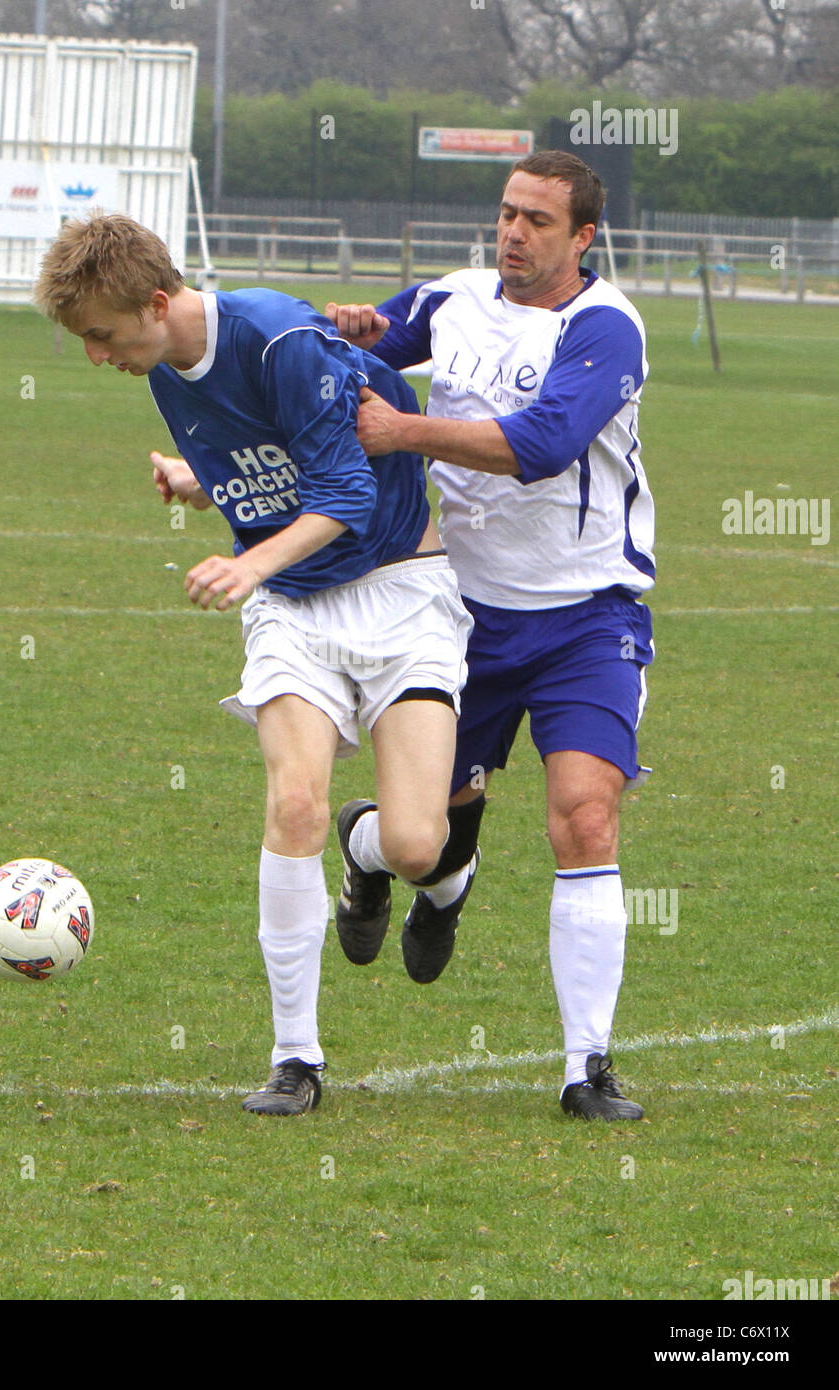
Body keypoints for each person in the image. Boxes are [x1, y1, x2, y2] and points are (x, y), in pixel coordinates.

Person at [34, 213, 473, 1116]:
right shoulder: (163, 362)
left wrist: (247, 561)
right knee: (293, 802)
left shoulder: (277, 337)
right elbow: (266, 450)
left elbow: (346, 491)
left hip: (399, 587)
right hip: (293, 613)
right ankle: (295, 1060)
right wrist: (200, 481)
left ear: (157, 304)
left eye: (104, 338)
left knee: (416, 843)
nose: (98, 357)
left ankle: (407, 863)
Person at [325, 149, 655, 1122]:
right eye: (507, 213)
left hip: (588, 615)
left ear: (583, 237)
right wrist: (348, 333)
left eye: (538, 221)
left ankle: (585, 1068)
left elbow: (545, 444)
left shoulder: (605, 327)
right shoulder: (453, 297)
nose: (513, 232)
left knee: (586, 816)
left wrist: (404, 432)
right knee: (424, 843)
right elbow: (355, 352)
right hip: (454, 615)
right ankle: (375, 854)